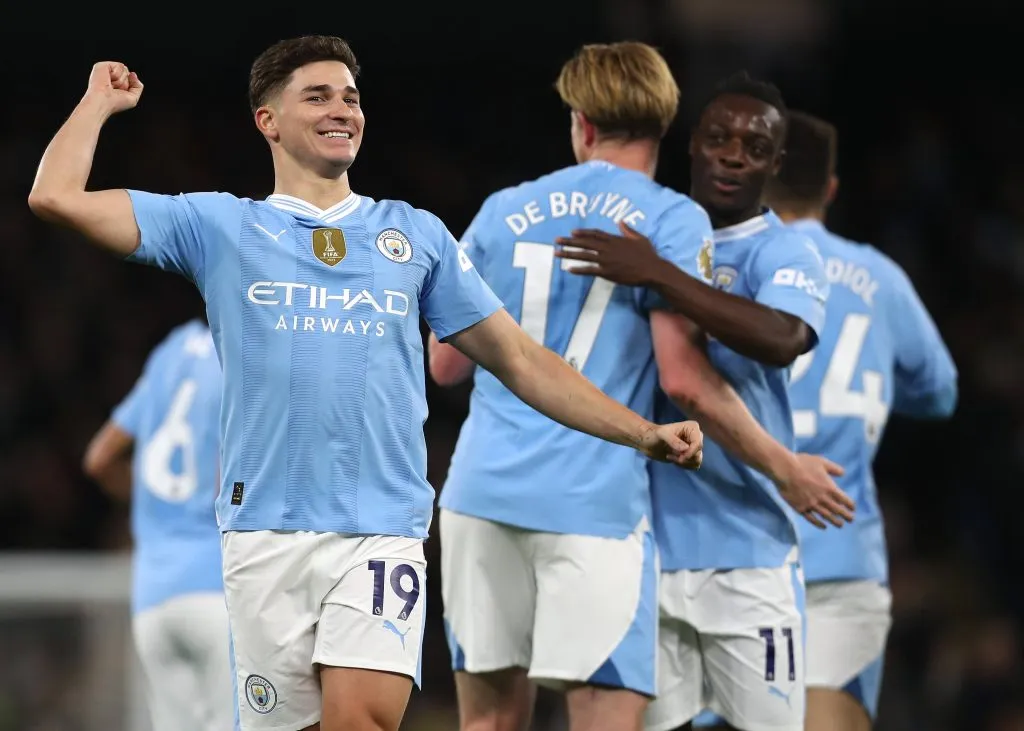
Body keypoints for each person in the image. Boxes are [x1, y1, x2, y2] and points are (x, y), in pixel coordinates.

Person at [27, 35, 703, 731]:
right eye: (317, 96)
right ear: (268, 120)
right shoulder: (221, 224)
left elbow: (523, 361)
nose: (341, 109)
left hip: (380, 531)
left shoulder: (415, 236)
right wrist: (97, 103)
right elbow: (54, 196)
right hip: (263, 532)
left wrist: (643, 431)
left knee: (360, 720)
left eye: (350, 97)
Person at [431, 52, 851, 731]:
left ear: (582, 122)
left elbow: (445, 366)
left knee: (487, 721)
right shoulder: (671, 218)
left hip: (480, 491)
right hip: (593, 501)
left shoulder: (502, 209)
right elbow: (684, 381)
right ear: (667, 127)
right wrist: (784, 467)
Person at [559, 72, 850, 731]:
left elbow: (783, 336)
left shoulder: (784, 249)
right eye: (718, 138)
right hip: (643, 547)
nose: (732, 154)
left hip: (748, 547)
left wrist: (659, 274)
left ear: (775, 164)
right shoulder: (644, 229)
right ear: (693, 145)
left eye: (753, 146)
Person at [764, 110, 958, 731]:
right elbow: (940, 392)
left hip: (739, 550)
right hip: (842, 552)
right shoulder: (880, 277)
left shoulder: (724, 269)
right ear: (830, 189)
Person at [83, 319, 232, 731]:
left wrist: (156, 500)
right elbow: (229, 478)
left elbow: (98, 458)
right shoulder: (237, 358)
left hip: (151, 598)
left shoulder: (167, 356)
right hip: (213, 587)